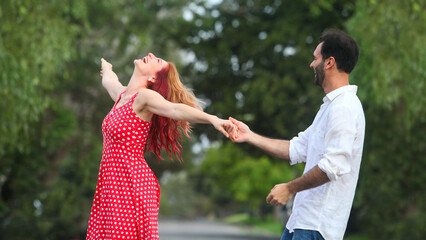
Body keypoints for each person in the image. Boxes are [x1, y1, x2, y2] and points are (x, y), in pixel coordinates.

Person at [228, 30, 364, 240]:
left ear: (329, 62)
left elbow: (333, 166)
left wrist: (290, 188)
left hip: (317, 226)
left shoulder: (345, 107)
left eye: (315, 58)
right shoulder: (330, 107)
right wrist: (250, 136)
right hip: (301, 221)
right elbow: (296, 148)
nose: (311, 64)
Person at [86, 53, 235, 240]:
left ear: (153, 78)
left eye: (157, 60)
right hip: (113, 184)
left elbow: (174, 109)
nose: (151, 55)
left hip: (131, 183)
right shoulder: (122, 96)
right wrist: (106, 66)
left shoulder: (144, 97)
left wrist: (213, 119)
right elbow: (109, 81)